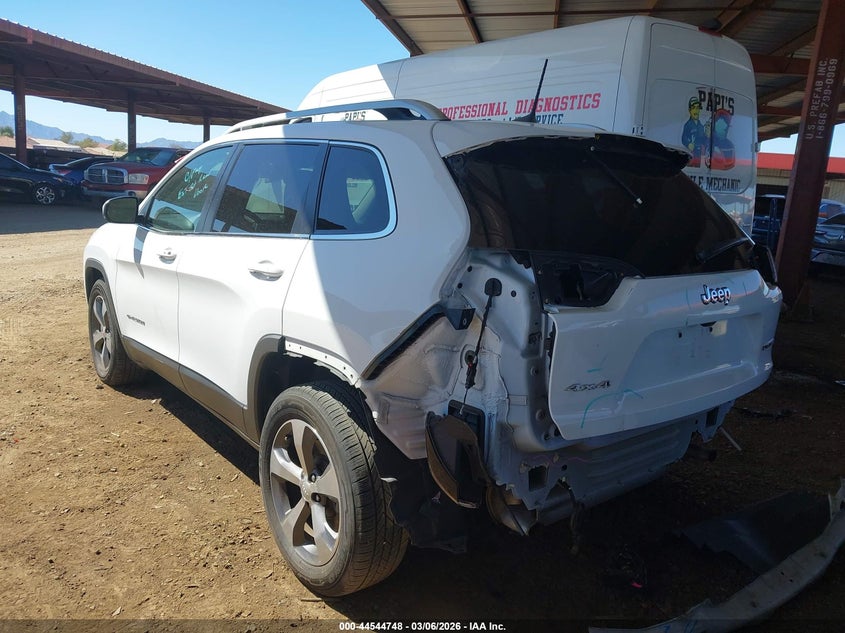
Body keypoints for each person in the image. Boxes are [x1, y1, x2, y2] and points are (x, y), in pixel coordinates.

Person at [681, 97, 709, 167]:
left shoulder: (701, 126)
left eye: (697, 108)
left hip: (700, 154)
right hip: (690, 154)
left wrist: (707, 135)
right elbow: (684, 137)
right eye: (693, 108)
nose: (696, 110)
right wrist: (688, 144)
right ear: (689, 110)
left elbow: (703, 140)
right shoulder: (688, 125)